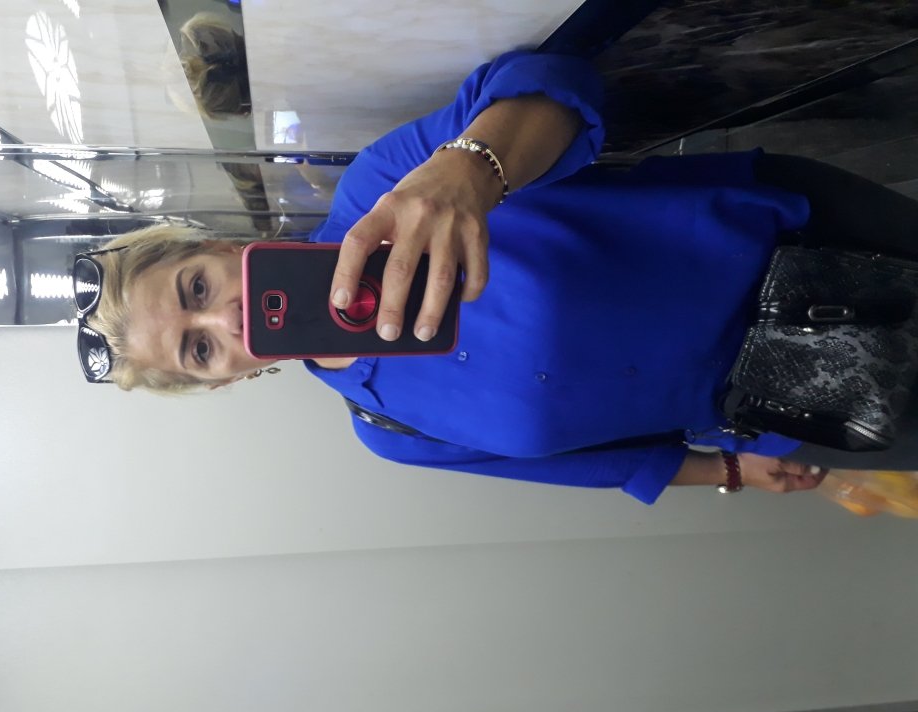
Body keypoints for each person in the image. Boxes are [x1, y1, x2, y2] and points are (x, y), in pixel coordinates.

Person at [75, 49, 918, 504]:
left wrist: (469, 169)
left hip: (815, 249)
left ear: (223, 248)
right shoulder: (389, 430)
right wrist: (733, 472)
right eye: (199, 350)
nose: (223, 320)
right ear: (225, 379)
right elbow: (593, 465)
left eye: (194, 290)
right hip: (798, 405)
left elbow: (549, 84)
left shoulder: (379, 192)